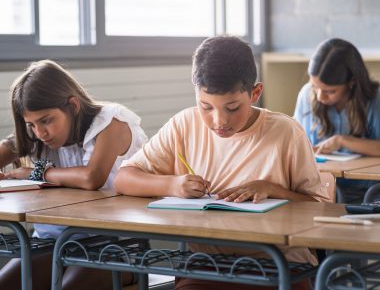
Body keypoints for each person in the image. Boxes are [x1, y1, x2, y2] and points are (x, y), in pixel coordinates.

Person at [114, 36, 331, 290]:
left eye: (232, 107)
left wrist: (272, 189)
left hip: (280, 266)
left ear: (256, 93)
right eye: (206, 106)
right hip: (208, 266)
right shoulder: (184, 125)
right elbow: (123, 178)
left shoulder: (286, 132)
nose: (219, 121)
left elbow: (320, 212)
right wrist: (171, 185)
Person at [0, 60, 147, 290]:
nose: (40, 133)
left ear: (73, 105)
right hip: (51, 242)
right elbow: (8, 147)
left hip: (115, 243)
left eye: (46, 120)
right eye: (31, 124)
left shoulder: (111, 121)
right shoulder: (38, 134)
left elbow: (91, 178)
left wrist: (36, 173)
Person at [294, 38, 380, 201]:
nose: (320, 96)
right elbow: (296, 140)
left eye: (330, 91)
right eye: (315, 87)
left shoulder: (375, 99)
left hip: (369, 191)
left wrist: (343, 141)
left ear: (352, 83)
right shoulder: (306, 95)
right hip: (319, 189)